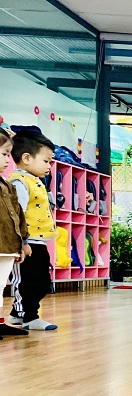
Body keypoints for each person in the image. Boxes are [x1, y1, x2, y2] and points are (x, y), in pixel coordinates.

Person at [8, 130, 56, 331]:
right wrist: (22, 243)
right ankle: (28, 316)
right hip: (27, 243)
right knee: (26, 282)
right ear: (27, 158)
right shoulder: (19, 182)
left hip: (39, 241)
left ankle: (18, 314)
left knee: (42, 282)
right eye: (46, 161)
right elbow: (16, 215)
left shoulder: (36, 181)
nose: (49, 166)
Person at [0, 128, 30, 338]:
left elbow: (18, 216)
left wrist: (22, 243)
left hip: (7, 245)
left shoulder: (7, 186)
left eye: (8, 154)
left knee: (1, 285)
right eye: (3, 154)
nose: (7, 160)